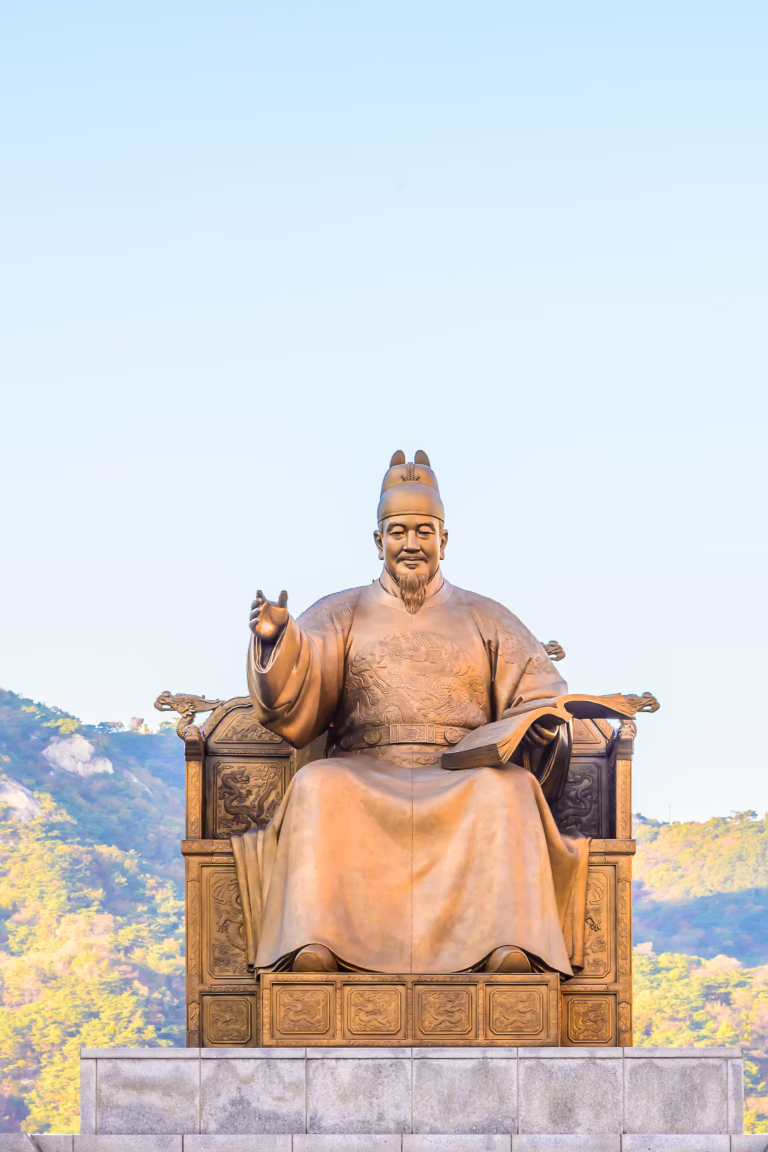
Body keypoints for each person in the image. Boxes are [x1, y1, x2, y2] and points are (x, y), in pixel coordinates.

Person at [232, 450, 589, 976]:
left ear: (445, 539)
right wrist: (276, 641)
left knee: (509, 790)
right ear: (378, 541)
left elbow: (540, 692)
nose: (412, 544)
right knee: (318, 785)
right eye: (398, 532)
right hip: (365, 767)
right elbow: (297, 690)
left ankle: (509, 947)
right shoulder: (341, 610)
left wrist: (543, 720)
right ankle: (315, 945)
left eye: (424, 531)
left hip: (463, 771)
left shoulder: (487, 616)